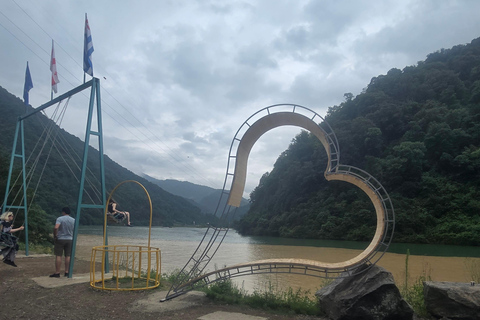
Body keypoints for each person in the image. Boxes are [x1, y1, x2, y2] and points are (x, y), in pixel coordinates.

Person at [50, 207, 75, 278]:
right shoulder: (73, 220)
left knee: (58, 255)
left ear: (63, 212)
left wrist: (55, 235)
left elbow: (56, 227)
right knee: (68, 255)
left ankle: (57, 272)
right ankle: (66, 272)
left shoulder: (60, 219)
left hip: (60, 238)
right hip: (70, 239)